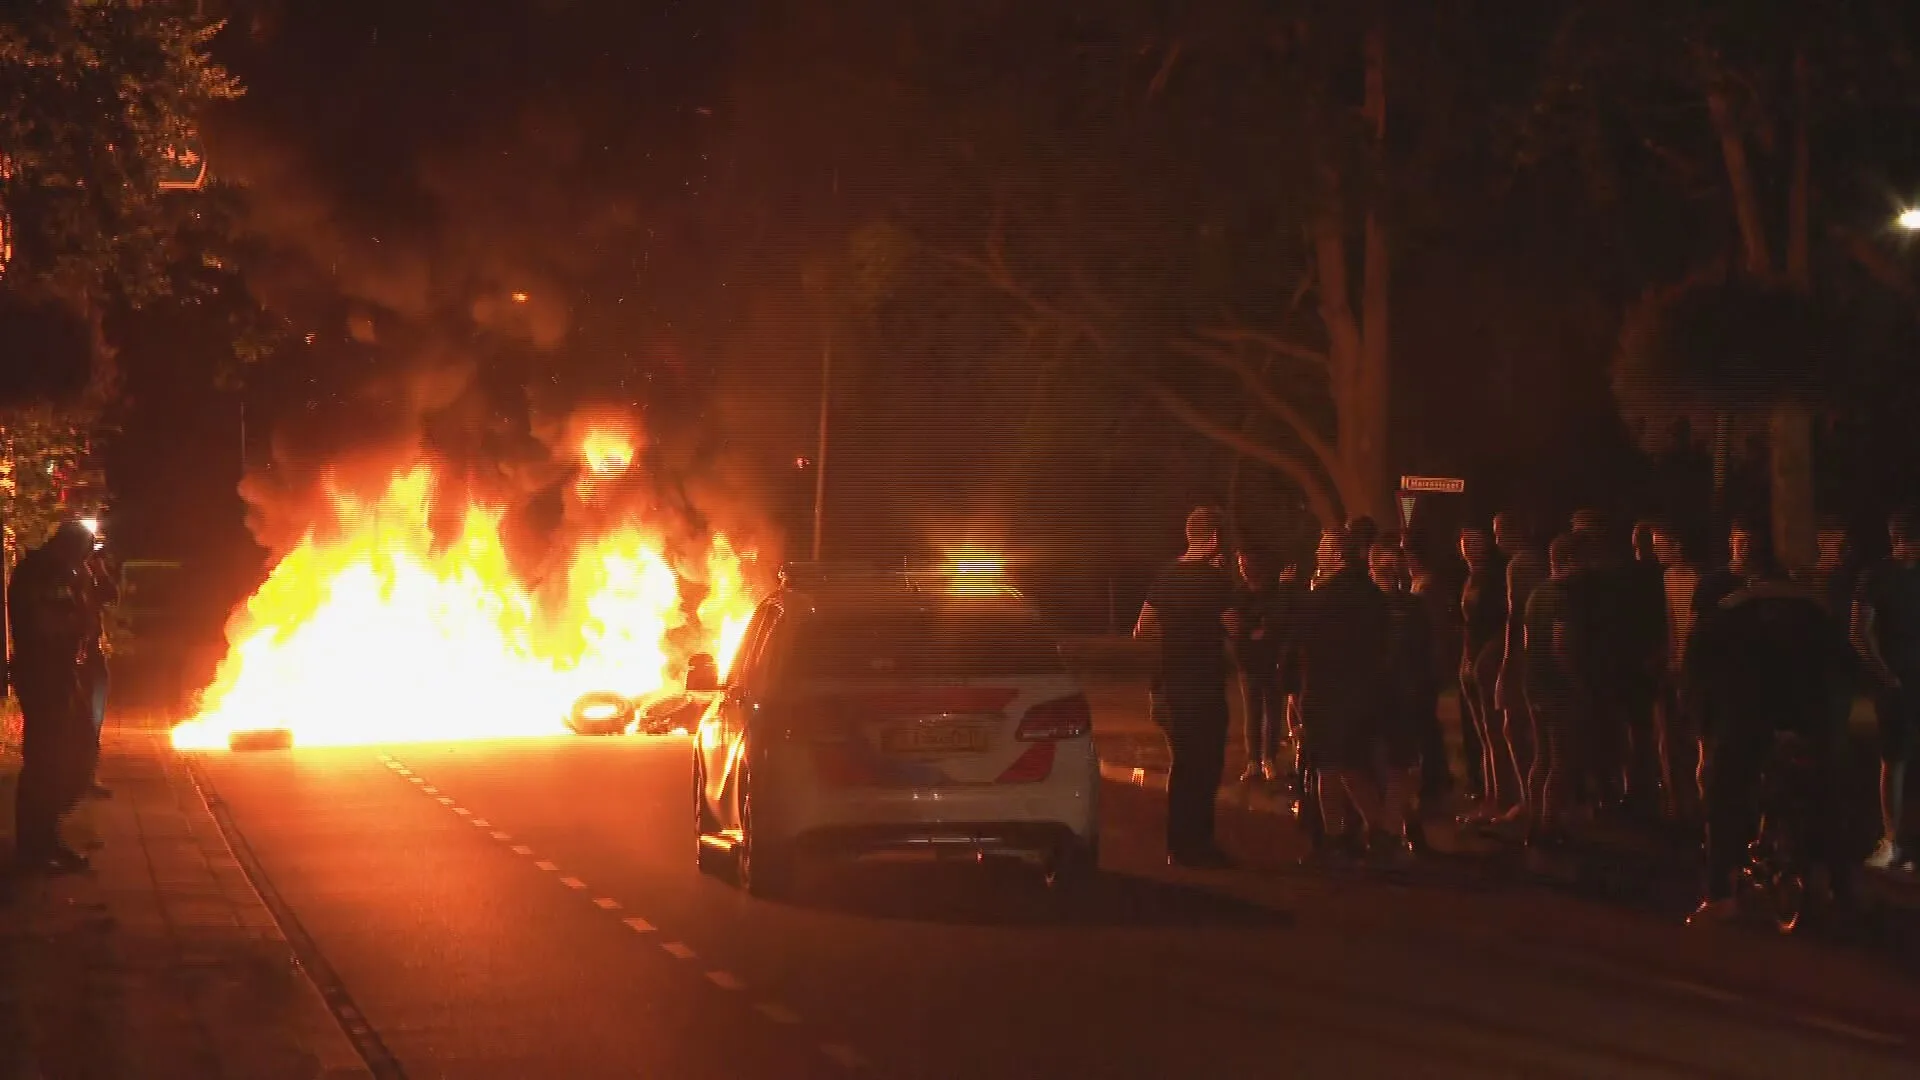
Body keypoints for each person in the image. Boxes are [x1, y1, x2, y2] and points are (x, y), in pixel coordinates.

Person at [1687, 535, 1857, 924]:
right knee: (1829, 796)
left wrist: (1703, 722)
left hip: (1745, 720)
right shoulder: (1816, 613)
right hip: (1810, 720)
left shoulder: (1728, 612)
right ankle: (1841, 887)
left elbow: (1698, 671)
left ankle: (1720, 893)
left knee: (1724, 798)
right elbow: (1847, 666)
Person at [1135, 507, 1241, 867]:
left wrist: (1174, 631)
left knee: (1182, 765)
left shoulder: (1166, 576)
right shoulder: (1215, 582)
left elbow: (1142, 628)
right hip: (1204, 685)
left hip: (1170, 684)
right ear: (1214, 538)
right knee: (1206, 766)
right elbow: (1235, 627)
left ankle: (1177, 843)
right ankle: (1200, 843)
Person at [1290, 527, 1394, 861]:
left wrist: (1294, 692)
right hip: (1364, 693)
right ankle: (1378, 831)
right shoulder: (1372, 596)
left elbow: (1300, 646)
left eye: (1322, 547)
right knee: (1353, 765)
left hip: (1325, 692)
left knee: (1327, 768)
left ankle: (1334, 838)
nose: (1317, 553)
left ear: (1336, 555)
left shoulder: (1320, 598)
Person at [9, 521, 102, 873]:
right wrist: (76, 616)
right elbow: (48, 623)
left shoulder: (56, 571)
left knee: (61, 757)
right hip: (43, 674)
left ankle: (47, 838)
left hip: (57, 673)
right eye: (82, 553)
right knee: (44, 761)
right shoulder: (42, 574)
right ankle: (35, 846)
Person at [1852, 509, 1920, 873]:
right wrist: (1886, 674)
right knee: (1895, 758)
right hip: (1896, 681)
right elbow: (1859, 631)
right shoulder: (1877, 576)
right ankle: (1891, 840)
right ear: (1900, 541)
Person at [1523, 533, 1588, 849]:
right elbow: (1561, 644)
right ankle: (1550, 825)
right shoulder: (1565, 596)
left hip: (1534, 682)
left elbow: (1527, 640)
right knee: (1561, 759)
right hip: (1558, 687)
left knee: (1541, 756)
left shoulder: (1537, 594)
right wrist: (1576, 681)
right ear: (1570, 561)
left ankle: (1534, 819)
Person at [1371, 541, 1434, 854]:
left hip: (1392, 695)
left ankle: (1395, 830)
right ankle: (1402, 828)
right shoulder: (1406, 607)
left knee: (1395, 766)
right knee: (1400, 765)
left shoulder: (1380, 608)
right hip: (1397, 694)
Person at [1485, 512, 1546, 828]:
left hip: (1525, 657)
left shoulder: (1519, 565)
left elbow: (1516, 616)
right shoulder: (1536, 561)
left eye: (1499, 533)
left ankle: (1530, 801)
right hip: (1537, 655)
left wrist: (1509, 662)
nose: (1495, 540)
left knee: (1516, 727)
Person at [1457, 526, 1505, 806]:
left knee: (1493, 730)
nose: (1468, 547)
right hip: (1471, 656)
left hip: (1487, 659)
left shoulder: (1493, 578)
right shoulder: (1471, 577)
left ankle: (1501, 794)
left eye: (1473, 542)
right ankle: (1491, 791)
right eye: (1465, 542)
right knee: (1483, 732)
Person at [1231, 549, 1284, 784]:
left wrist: (1260, 629)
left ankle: (1268, 758)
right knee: (1252, 711)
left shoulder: (1272, 592)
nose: (1242, 568)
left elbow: (1274, 623)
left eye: (1245, 563)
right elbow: (1237, 626)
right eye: (1240, 564)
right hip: (1248, 660)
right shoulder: (1239, 593)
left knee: (1272, 710)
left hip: (1270, 659)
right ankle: (1254, 760)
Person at [79, 541, 117, 798]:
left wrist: (99, 570)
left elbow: (110, 595)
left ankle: (86, 777)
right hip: (76, 660)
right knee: (84, 721)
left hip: (92, 656)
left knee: (93, 720)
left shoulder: (86, 573)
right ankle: (79, 778)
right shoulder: (68, 576)